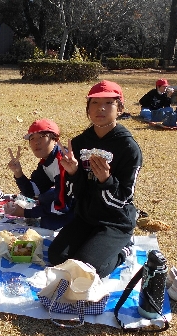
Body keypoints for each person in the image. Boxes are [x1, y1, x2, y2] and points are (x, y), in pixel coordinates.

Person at [47, 80, 143, 278]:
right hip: (86, 217)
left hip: (115, 221)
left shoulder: (128, 148)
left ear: (120, 108)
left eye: (109, 103)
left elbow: (124, 197)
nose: (101, 108)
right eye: (95, 103)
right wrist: (73, 172)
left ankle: (125, 246)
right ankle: (94, 242)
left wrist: (106, 180)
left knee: (89, 269)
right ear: (88, 108)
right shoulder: (79, 143)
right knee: (57, 256)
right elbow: (75, 193)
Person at [4, 118, 75, 230]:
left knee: (48, 223)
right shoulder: (46, 161)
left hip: (85, 204)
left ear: (55, 139)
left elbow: (61, 206)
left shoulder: (62, 162)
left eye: (41, 137)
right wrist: (18, 173)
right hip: (69, 198)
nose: (36, 142)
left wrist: (25, 213)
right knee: (44, 197)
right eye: (32, 138)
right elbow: (32, 191)